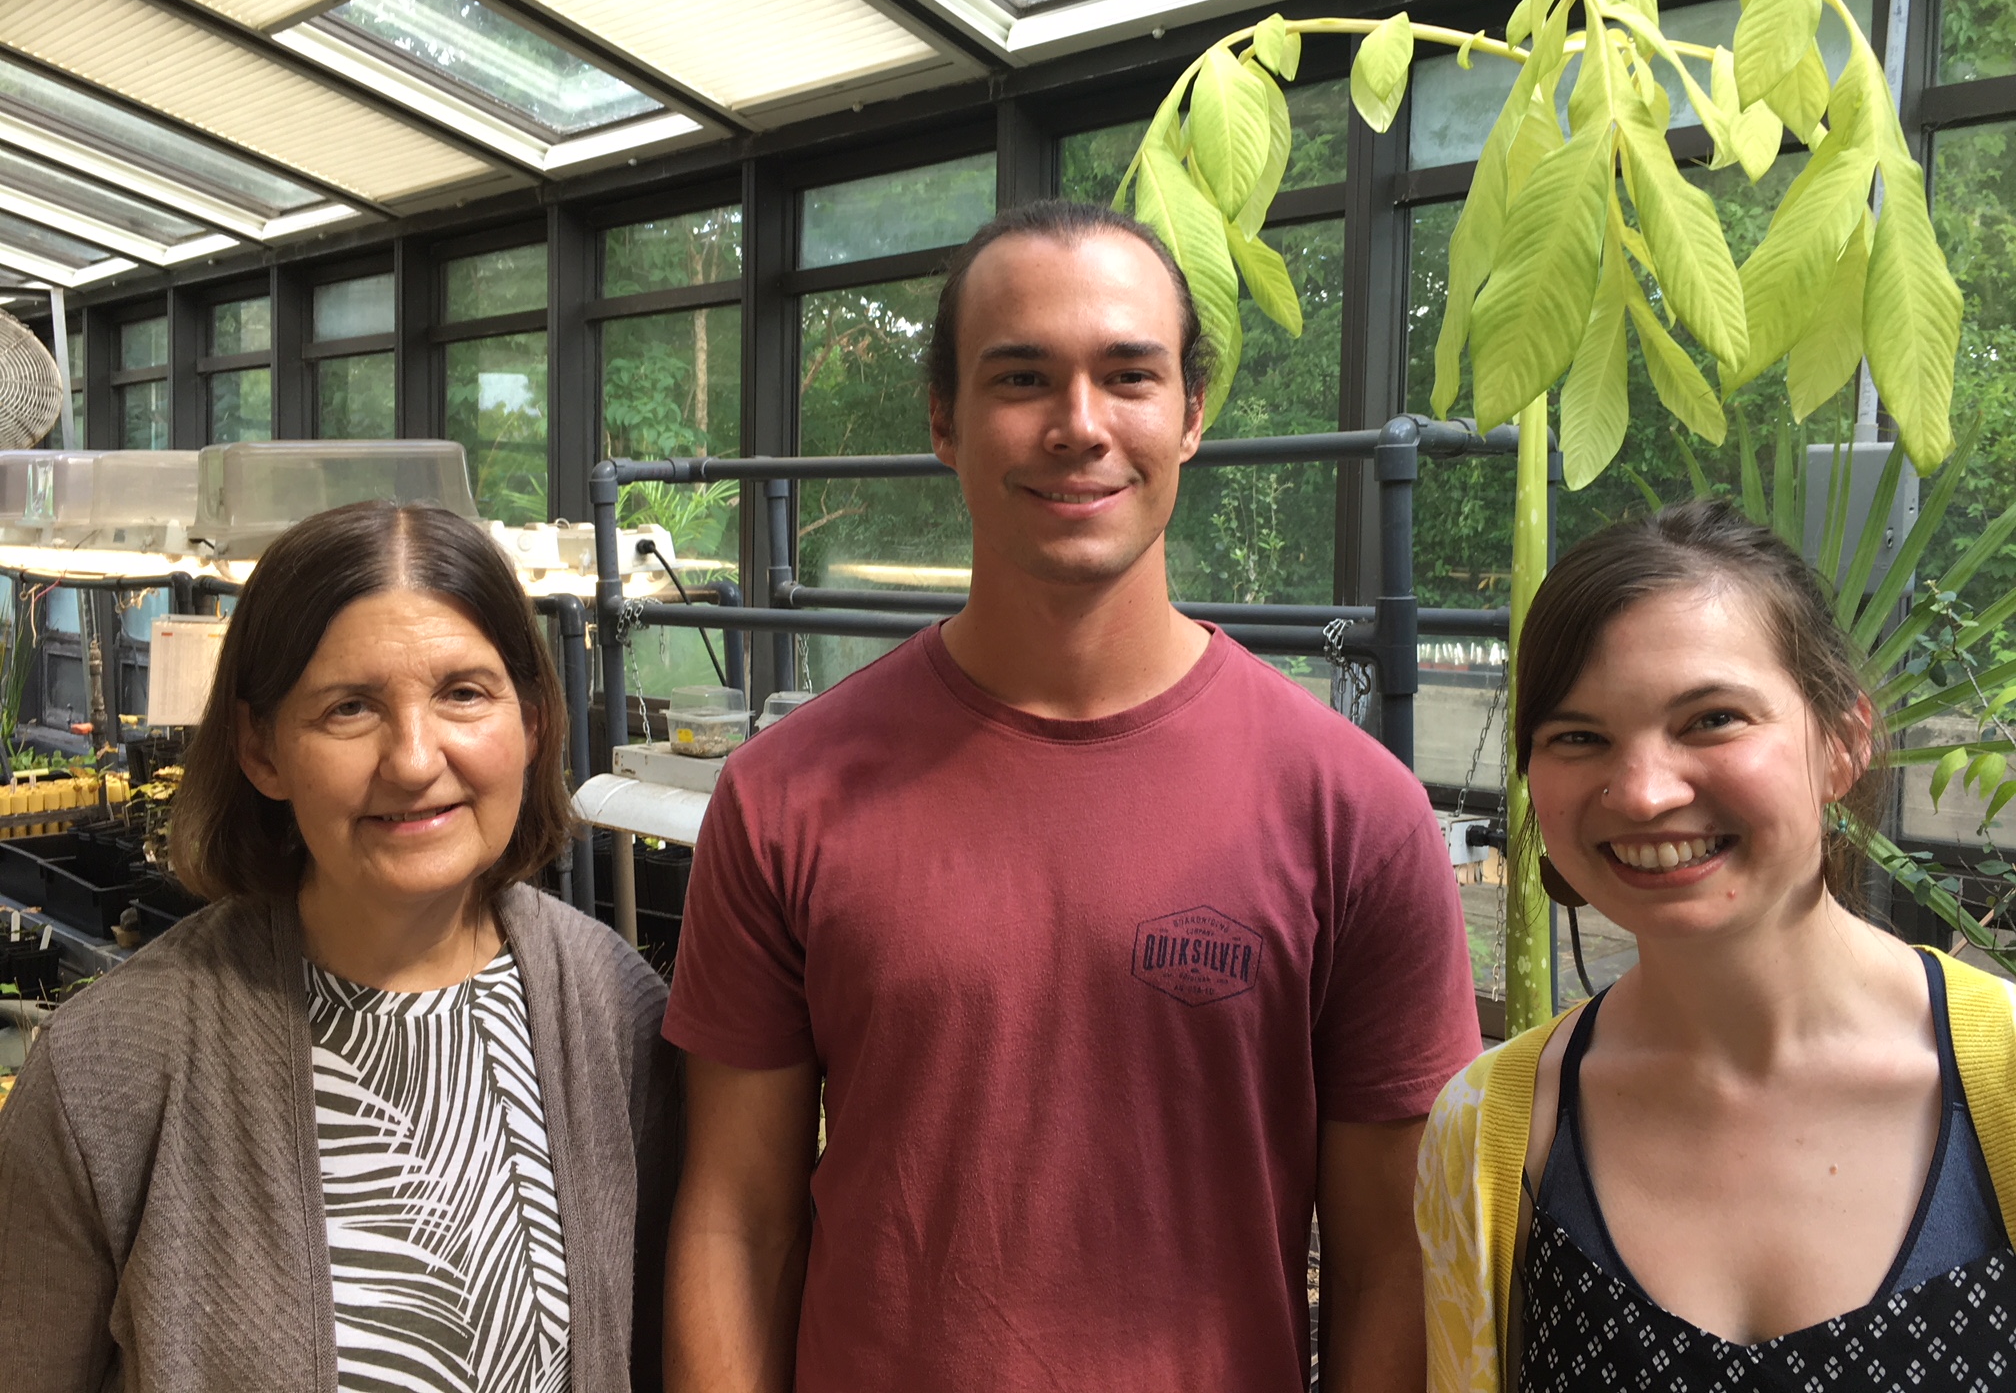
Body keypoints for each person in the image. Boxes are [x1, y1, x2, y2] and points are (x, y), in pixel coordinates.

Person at [660, 198, 1480, 1392]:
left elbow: (1386, 1272)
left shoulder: (1353, 814)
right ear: (944, 418)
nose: (1080, 426)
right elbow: (740, 1222)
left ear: (1191, 414)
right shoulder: (786, 796)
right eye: (1023, 379)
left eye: (1129, 375)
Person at [0, 503, 677, 1393]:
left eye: (464, 693)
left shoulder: (615, 1014)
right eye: (349, 708)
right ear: (260, 748)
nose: (412, 758)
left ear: (535, 721)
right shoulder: (109, 1070)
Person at [1417, 500, 2016, 1392]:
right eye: (1580, 737)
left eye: (1712, 719)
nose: (1645, 793)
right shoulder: (1490, 1133)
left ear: (1842, 742)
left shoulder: (2001, 1080)